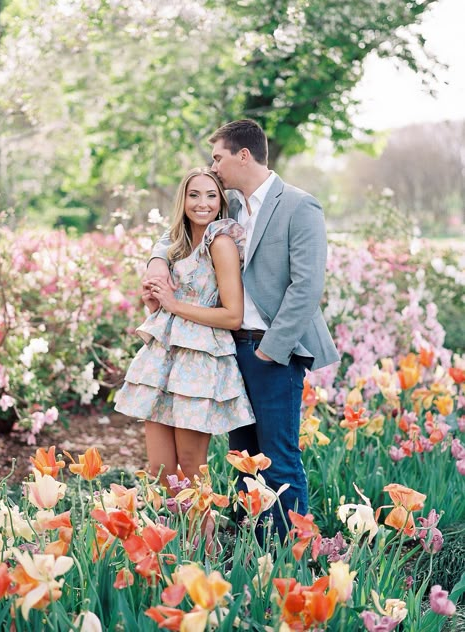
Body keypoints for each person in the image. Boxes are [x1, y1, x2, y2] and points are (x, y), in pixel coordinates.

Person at [145, 120, 340, 541]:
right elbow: (180, 226)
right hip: (232, 350)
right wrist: (157, 262)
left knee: (279, 457)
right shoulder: (231, 206)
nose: (213, 167)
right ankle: (254, 547)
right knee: (242, 455)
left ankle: (294, 553)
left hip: (273, 352)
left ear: (243, 155)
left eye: (218, 157)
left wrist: (272, 350)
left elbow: (306, 286)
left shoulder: (298, 205)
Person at [115, 167, 256, 490]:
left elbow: (233, 315)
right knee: (160, 468)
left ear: (221, 202)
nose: (202, 203)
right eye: (194, 195)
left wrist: (175, 305)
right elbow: (171, 300)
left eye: (211, 195)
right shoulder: (176, 244)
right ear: (183, 200)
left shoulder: (220, 242)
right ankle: (174, 540)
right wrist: (156, 302)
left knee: (191, 468)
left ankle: (203, 541)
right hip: (164, 358)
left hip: (199, 362)